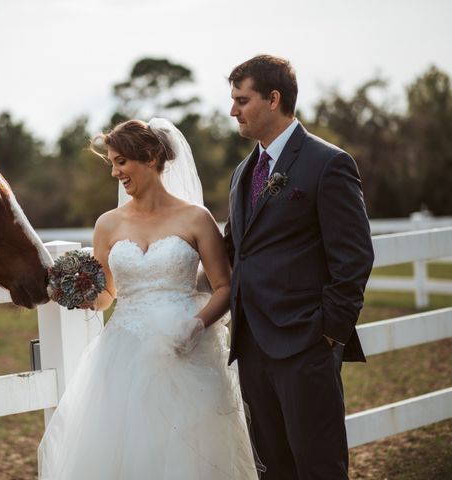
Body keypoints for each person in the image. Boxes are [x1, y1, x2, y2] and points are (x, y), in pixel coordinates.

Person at [38, 118, 260, 479]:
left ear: (152, 156)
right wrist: (83, 295)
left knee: (189, 454)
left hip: (186, 349)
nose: (115, 173)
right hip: (124, 355)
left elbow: (225, 287)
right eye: (111, 162)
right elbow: (108, 294)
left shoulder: (195, 218)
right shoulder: (107, 224)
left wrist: (197, 324)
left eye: (121, 161)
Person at [225, 54, 375, 479]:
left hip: (306, 346)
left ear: (274, 99)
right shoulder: (242, 172)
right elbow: (235, 249)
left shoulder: (328, 163)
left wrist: (327, 333)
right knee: (273, 469)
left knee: (318, 466)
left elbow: (355, 257)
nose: (233, 110)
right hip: (252, 347)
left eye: (242, 99)